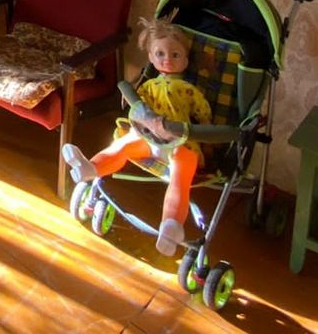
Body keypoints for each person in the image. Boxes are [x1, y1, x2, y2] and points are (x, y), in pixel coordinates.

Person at [61, 16, 212, 256]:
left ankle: (171, 226)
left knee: (180, 178)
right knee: (122, 145)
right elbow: (137, 106)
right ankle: (90, 167)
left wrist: (208, 138)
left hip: (180, 142)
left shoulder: (189, 90)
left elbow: (203, 114)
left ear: (186, 59)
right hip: (148, 139)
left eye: (175, 55)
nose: (167, 59)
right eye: (160, 54)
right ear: (151, 57)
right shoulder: (148, 86)